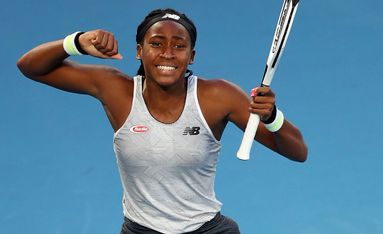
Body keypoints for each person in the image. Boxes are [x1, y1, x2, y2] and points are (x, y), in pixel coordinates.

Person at [17, 8, 307, 234]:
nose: (167, 53)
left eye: (178, 45)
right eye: (156, 43)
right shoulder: (115, 90)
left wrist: (271, 116)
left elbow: (297, 152)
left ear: (191, 56)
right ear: (139, 51)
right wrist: (76, 42)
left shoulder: (217, 96)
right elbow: (30, 66)